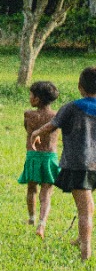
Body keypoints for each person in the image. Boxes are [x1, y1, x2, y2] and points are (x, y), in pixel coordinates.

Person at [29, 66, 96, 261]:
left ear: (79, 86)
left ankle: (85, 252)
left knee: (84, 211)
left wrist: (35, 134)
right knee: (88, 205)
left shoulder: (72, 107)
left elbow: (51, 126)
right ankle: (80, 239)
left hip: (79, 165)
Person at [20, 80, 61, 237]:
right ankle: (42, 224)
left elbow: (27, 130)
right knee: (46, 193)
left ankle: (31, 218)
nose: (29, 97)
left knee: (31, 189)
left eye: (31, 94)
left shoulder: (29, 115)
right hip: (50, 157)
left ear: (37, 99)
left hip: (33, 156)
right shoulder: (56, 116)